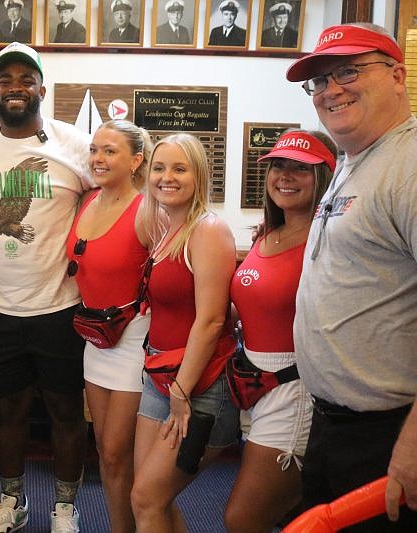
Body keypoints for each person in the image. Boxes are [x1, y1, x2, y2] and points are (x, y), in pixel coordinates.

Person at [0, 42, 92, 533]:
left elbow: (113, 201)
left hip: (61, 305)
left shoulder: (75, 144)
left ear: (42, 89)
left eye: (26, 79)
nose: (16, 87)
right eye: (6, 79)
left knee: (63, 411)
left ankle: (65, 506)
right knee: (8, 409)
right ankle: (12, 501)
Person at [287, 23, 417, 530]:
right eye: (319, 81)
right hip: (335, 425)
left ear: (398, 75)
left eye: (347, 71)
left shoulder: (408, 165)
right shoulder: (357, 160)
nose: (330, 90)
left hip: (388, 435)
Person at [224, 130, 337, 533]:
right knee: (287, 513)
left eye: (300, 169)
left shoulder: (327, 240)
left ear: (325, 175)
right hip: (250, 382)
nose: (285, 176)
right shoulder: (267, 234)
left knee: (243, 519)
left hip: (293, 386)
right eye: (278, 165)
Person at [131, 133, 239, 532]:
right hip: (158, 374)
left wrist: (181, 393)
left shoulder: (207, 230)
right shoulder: (164, 228)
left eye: (180, 168)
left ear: (199, 175)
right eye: (159, 168)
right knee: (149, 497)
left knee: (147, 498)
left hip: (198, 385)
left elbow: (211, 320)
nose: (166, 177)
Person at [66, 119, 151, 533]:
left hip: (134, 340)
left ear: (136, 160)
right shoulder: (87, 202)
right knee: (104, 450)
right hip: (94, 339)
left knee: (119, 453)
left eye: (110, 151)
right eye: (95, 149)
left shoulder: (149, 210)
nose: (98, 158)